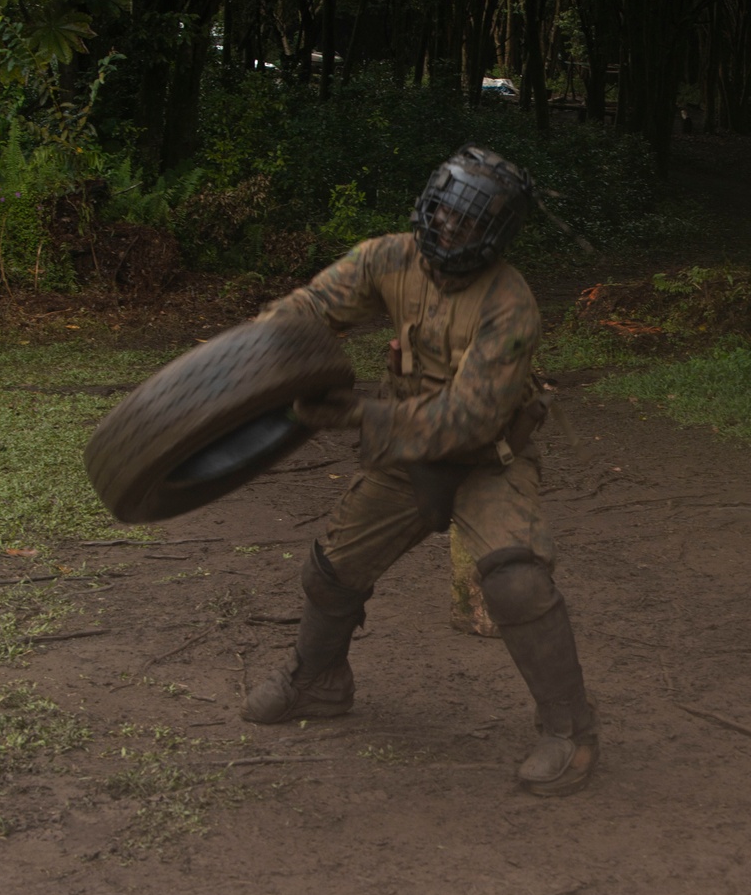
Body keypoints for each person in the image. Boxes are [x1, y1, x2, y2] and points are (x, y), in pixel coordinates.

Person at [242, 145, 599, 797]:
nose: (448, 231)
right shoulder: (388, 257)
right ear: (428, 205)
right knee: (332, 570)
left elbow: (468, 422)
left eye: (468, 223)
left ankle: (570, 734)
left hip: (485, 459)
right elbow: (308, 309)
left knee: (517, 582)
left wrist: (355, 415)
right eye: (442, 214)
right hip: (409, 453)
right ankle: (318, 681)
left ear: (495, 234)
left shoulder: (510, 304)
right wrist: (256, 356)